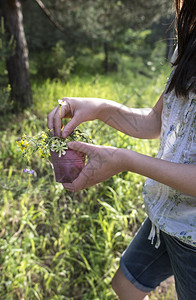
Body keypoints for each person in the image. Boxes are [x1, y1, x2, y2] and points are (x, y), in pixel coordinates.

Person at [47, 0, 196, 299]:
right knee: (125, 286)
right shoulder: (190, 41)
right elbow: (157, 120)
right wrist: (101, 107)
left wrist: (123, 159)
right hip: (163, 215)